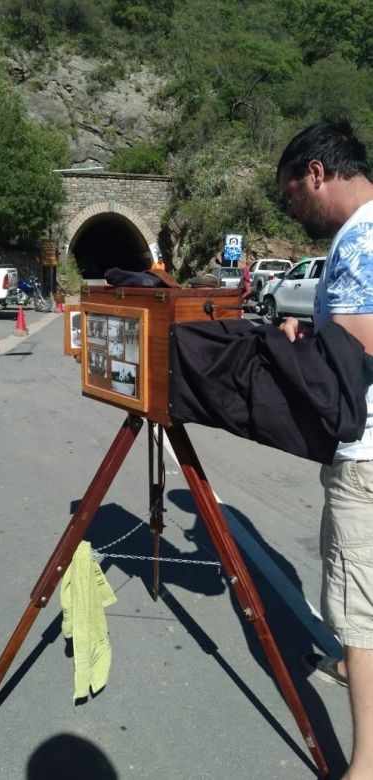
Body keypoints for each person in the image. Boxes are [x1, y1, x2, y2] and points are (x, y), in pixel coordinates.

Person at [277, 119, 373, 779]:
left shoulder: (360, 238)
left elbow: (357, 344)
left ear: (316, 171)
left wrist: (292, 351)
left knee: (358, 604)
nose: (293, 211)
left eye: (291, 196)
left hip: (366, 453)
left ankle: (364, 763)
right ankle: (347, 661)